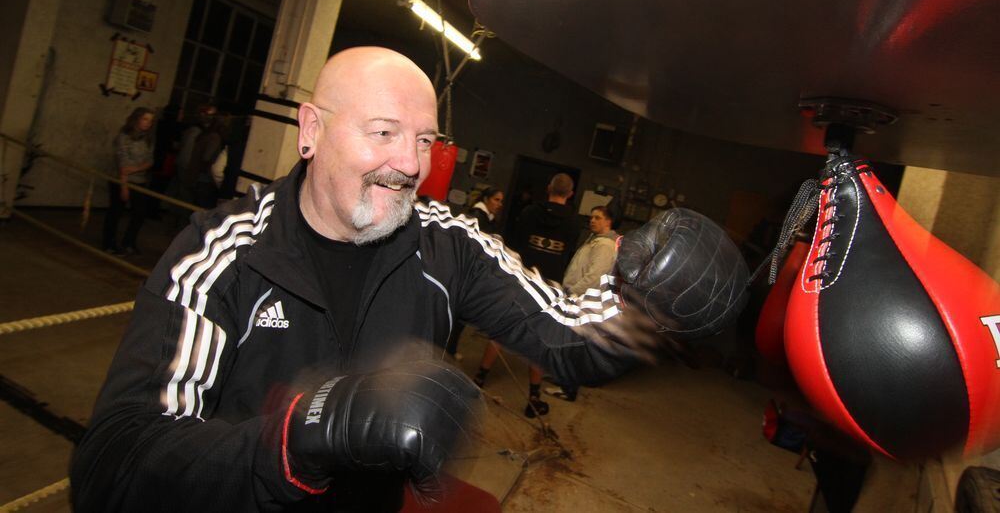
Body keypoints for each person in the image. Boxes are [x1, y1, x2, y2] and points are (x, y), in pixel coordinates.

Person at [71, 47, 716, 513]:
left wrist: (650, 302)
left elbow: (566, 333)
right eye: (383, 133)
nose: (409, 164)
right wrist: (299, 438)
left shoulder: (449, 244)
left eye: (426, 140)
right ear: (312, 131)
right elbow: (117, 465)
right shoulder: (223, 254)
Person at [473, 173, 579, 417]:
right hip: (549, 285)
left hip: (522, 279)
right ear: (571, 194)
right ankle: (533, 397)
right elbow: (568, 254)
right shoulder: (573, 223)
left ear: (548, 187)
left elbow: (516, 245)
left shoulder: (530, 212)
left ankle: (479, 379)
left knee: (502, 328)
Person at [549, 204, 619, 402]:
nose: (592, 220)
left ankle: (569, 388)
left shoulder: (605, 246)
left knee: (573, 345)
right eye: (592, 217)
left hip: (583, 299)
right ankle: (562, 379)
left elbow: (594, 277)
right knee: (566, 342)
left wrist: (571, 291)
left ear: (608, 221)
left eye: (598, 217)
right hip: (577, 297)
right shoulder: (596, 240)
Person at [444, 187, 505, 360]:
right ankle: (446, 349)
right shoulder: (478, 215)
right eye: (496, 200)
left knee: (460, 315)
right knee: (458, 315)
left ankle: (449, 348)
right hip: (467, 272)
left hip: (471, 272)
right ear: (486, 199)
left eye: (501, 201)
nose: (499, 204)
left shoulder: (487, 217)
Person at [101, 107, 155, 255]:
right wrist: (124, 185)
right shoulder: (124, 137)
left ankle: (129, 242)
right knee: (116, 212)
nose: (148, 123)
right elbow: (122, 164)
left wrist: (134, 169)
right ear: (137, 119)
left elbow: (150, 161)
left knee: (139, 213)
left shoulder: (148, 139)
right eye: (145, 119)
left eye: (150, 121)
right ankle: (109, 243)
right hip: (120, 180)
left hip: (139, 180)